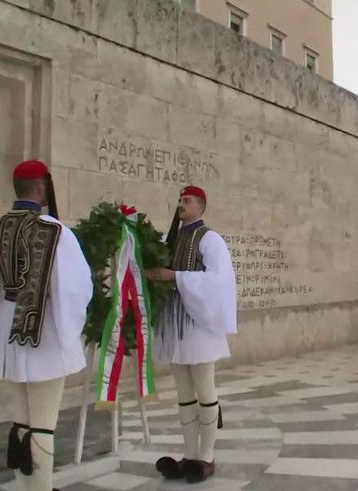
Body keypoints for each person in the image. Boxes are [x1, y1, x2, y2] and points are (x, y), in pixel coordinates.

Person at [0, 159, 93, 491]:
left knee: (22, 420)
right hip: (43, 333)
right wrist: (70, 326)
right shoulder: (54, 230)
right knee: (42, 424)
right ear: (42, 187)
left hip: (9, 330)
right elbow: (75, 286)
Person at [146, 185, 237, 483]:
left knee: (204, 390)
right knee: (184, 394)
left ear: (201, 206)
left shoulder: (210, 239)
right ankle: (189, 454)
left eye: (187, 201)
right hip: (174, 326)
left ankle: (207, 456)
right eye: (180, 200)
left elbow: (218, 282)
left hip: (199, 327)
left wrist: (174, 276)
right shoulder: (170, 239)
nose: (181, 205)